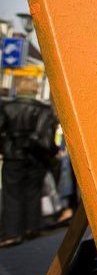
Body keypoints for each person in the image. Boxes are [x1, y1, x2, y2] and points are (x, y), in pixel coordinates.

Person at [0, 80, 59, 247]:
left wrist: (4, 148)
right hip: (36, 157)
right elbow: (48, 139)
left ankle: (12, 233)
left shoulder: (7, 107)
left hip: (13, 155)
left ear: (18, 89)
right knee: (34, 191)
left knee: (12, 194)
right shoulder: (43, 110)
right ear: (36, 90)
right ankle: (32, 227)